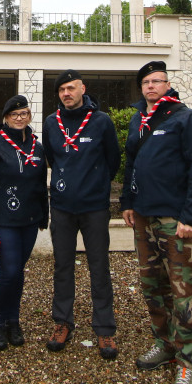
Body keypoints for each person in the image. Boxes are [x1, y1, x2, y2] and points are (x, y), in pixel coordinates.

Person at [120, 60, 192, 384]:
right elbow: (132, 164)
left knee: (184, 290)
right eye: (147, 82)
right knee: (152, 285)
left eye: (158, 81)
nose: (152, 86)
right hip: (142, 218)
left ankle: (189, 361)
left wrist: (190, 217)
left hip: (174, 220)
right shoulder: (137, 120)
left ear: (167, 84)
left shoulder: (185, 118)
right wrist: (127, 202)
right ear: (141, 87)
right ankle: (165, 343)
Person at [42, 69, 120, 360]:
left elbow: (113, 160)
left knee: (99, 268)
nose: (66, 93)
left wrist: (94, 183)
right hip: (62, 207)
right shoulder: (52, 123)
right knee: (63, 267)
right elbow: (52, 157)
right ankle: (63, 322)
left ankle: (104, 328)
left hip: (94, 208)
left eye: (71, 88)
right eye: (62, 89)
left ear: (82, 88)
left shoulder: (101, 122)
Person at [0, 95, 48, 351]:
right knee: (8, 272)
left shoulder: (37, 147)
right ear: (6, 118)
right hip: (4, 221)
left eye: (24, 114)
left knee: (18, 273)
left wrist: (44, 216)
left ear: (29, 116)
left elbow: (41, 185)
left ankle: (13, 321)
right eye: (15, 114)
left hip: (29, 220)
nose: (20, 118)